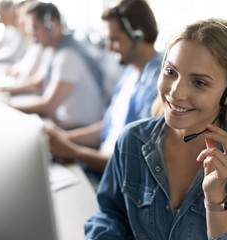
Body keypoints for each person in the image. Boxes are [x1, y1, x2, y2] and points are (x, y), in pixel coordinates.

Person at [84, 18, 227, 239]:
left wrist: (216, 197)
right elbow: (110, 215)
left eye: (199, 82)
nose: (176, 93)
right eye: (171, 72)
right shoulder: (132, 141)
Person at [45, 0, 162, 187]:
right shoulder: (130, 72)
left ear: (139, 34)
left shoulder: (158, 84)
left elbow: (135, 163)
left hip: (116, 184)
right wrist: (61, 138)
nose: (108, 47)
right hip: (100, 168)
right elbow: (107, 127)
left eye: (114, 39)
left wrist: (74, 151)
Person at [8, 2, 106, 129]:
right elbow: (38, 83)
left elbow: (48, 106)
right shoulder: (55, 50)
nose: (32, 34)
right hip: (65, 121)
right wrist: (1, 90)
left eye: (34, 27)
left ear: (51, 26)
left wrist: (6, 106)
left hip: (77, 127)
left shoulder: (68, 56)